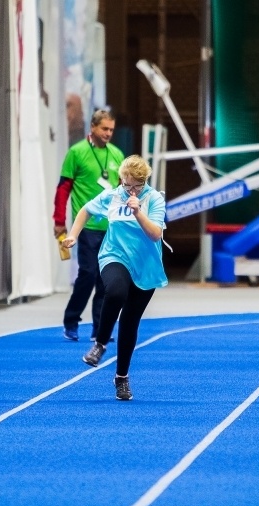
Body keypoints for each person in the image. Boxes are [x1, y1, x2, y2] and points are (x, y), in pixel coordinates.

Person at [62, 155, 167, 401]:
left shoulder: (154, 199)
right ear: (121, 180)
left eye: (138, 186)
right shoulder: (112, 196)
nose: (132, 190)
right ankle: (100, 344)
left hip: (144, 265)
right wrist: (73, 235)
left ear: (145, 181)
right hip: (114, 255)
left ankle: (121, 377)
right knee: (116, 291)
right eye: (128, 185)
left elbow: (155, 234)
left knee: (130, 322)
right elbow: (86, 210)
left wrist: (138, 212)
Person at [54, 108, 124, 342]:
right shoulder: (77, 152)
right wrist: (59, 221)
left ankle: (100, 328)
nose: (108, 133)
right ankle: (71, 321)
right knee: (88, 273)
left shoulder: (116, 154)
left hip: (111, 228)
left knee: (106, 279)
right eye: (104, 128)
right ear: (93, 127)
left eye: (111, 130)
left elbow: (124, 190)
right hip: (86, 227)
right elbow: (63, 189)